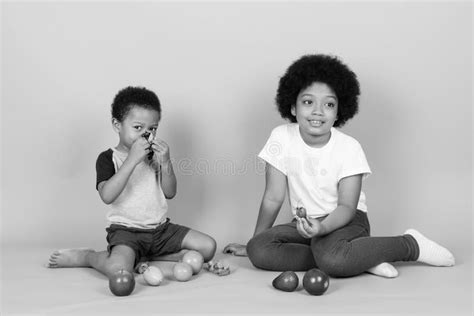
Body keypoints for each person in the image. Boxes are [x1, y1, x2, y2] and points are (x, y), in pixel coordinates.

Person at [223, 54, 454, 278]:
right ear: (292, 107)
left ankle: (409, 245)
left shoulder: (349, 148)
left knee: (332, 258)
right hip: (305, 224)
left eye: (329, 104)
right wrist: (253, 242)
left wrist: (323, 229)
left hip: (348, 221)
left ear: (338, 112)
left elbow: (346, 207)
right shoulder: (281, 137)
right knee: (260, 250)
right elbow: (273, 197)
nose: (317, 111)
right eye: (307, 102)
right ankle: (359, 258)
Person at [48, 86, 216, 294]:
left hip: (160, 230)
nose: (146, 134)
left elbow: (170, 192)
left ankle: (144, 257)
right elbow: (107, 195)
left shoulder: (153, 157)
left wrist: (166, 163)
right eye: (138, 127)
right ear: (117, 125)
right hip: (126, 232)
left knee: (208, 247)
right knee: (117, 269)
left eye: (152, 129)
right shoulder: (108, 158)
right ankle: (89, 257)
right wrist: (132, 160)